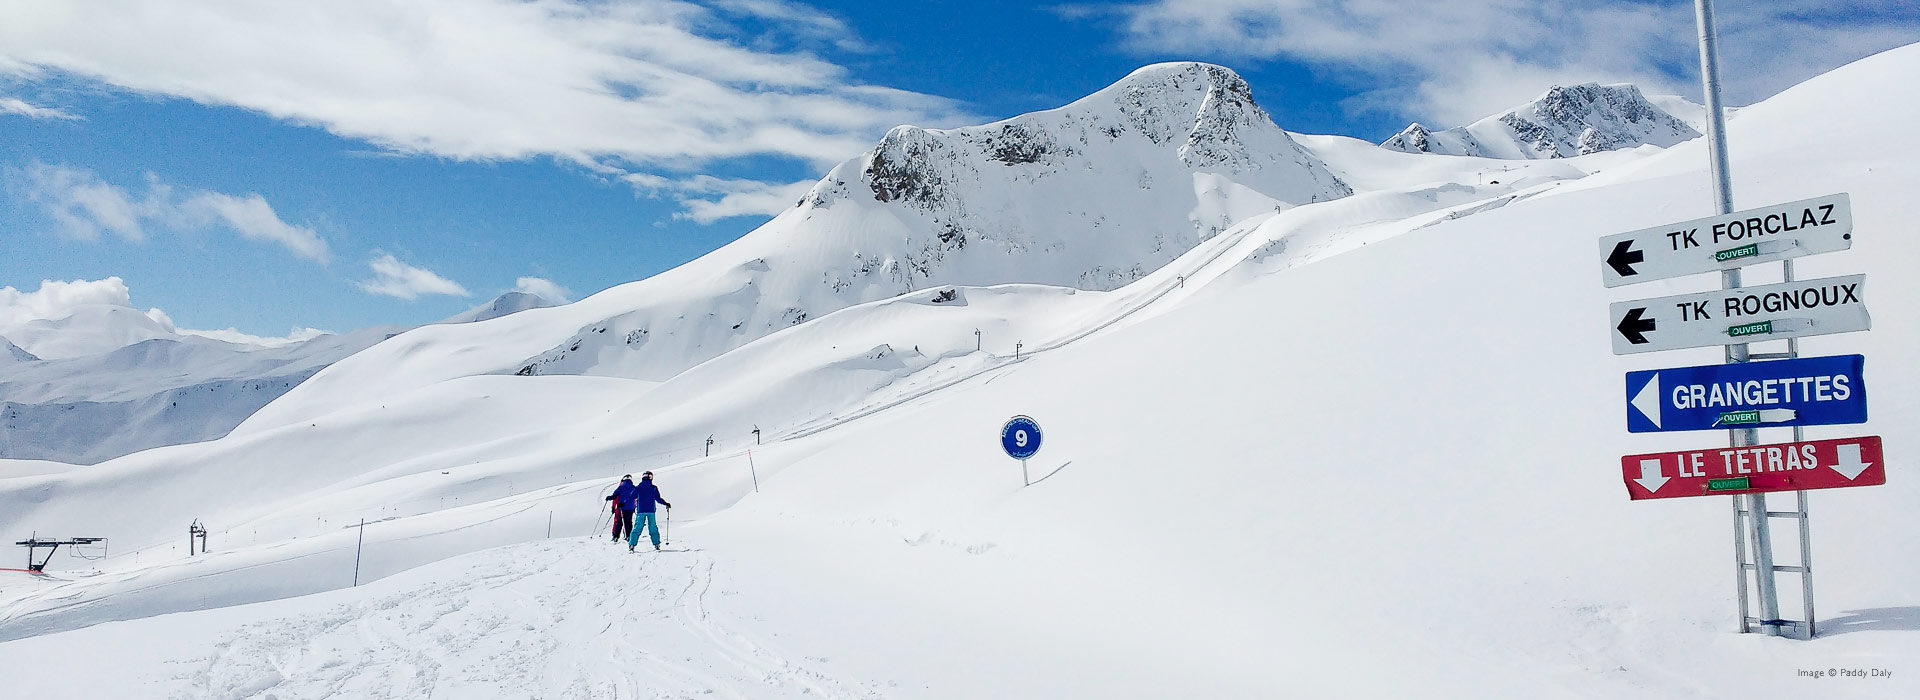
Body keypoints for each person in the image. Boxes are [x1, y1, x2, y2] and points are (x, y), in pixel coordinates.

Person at [627, 471, 673, 551]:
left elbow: (631, 496)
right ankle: (656, 544)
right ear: (651, 478)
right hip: (651, 511)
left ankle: (632, 545)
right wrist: (666, 503)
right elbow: (658, 499)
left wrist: (624, 503)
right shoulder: (653, 488)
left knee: (637, 527)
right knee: (652, 527)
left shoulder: (638, 487)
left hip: (641, 511)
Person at [605, 475, 637, 542]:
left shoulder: (621, 487)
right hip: (631, 507)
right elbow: (636, 497)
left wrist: (609, 498)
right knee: (628, 521)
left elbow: (614, 496)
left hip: (622, 507)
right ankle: (629, 536)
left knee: (619, 521)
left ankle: (616, 536)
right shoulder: (634, 487)